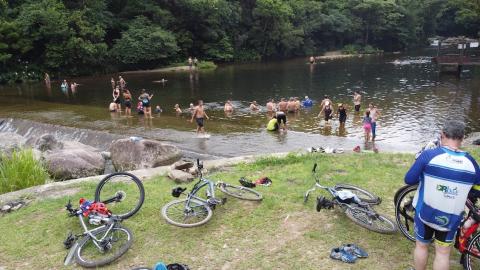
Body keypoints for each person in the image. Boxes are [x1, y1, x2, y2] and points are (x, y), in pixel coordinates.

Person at [404, 120, 480, 270]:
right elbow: (477, 189)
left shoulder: (429, 155)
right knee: (443, 252)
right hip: (451, 216)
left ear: (442, 135)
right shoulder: (471, 162)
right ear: (462, 138)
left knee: (422, 245)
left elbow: (409, 179)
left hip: (425, 212)